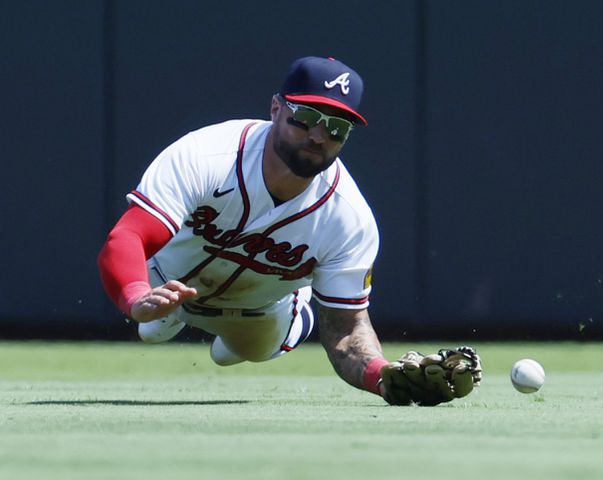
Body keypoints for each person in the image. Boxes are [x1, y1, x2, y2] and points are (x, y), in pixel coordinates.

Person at [98, 56, 479, 406]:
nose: (318, 136)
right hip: (165, 281)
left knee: (248, 350)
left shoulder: (347, 217)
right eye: (306, 117)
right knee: (151, 327)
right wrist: (135, 297)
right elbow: (127, 238)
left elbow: (346, 330)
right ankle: (163, 317)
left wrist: (383, 378)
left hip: (255, 312)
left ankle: (282, 324)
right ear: (276, 108)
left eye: (335, 127)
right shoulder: (207, 155)